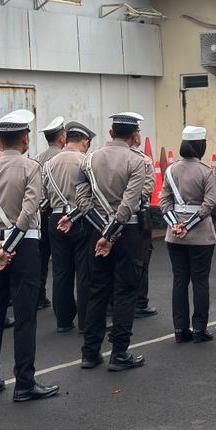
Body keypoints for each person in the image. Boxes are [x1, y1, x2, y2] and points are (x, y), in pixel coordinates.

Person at [0, 109, 59, 403]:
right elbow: (29, 210)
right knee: (25, 316)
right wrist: (10, 247)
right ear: (24, 139)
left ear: (0, 139)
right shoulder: (31, 167)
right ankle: (24, 382)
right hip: (24, 247)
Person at [74, 111, 154, 372]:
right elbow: (130, 202)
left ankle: (90, 352)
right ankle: (119, 352)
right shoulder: (137, 161)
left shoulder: (89, 160)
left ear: (111, 133)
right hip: (127, 233)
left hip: (96, 231)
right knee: (126, 292)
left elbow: (82, 200)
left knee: (98, 290)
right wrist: (112, 233)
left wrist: (104, 232)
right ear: (134, 135)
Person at [164, 126, 216, 343]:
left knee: (179, 281)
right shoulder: (207, 172)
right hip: (200, 235)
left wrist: (176, 225)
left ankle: (180, 329)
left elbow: (164, 201)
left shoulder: (171, 171)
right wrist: (188, 226)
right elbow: (209, 204)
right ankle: (199, 328)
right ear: (201, 146)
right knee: (200, 281)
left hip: (174, 234)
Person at [42, 121, 94, 333]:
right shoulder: (86, 161)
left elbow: (43, 196)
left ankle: (63, 320)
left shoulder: (49, 164)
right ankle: (86, 321)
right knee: (84, 272)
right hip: (80, 217)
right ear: (85, 142)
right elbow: (92, 194)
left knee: (61, 272)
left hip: (55, 217)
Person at [35, 116, 67, 311]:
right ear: (62, 137)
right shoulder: (65, 158)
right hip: (60, 212)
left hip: (40, 213)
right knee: (62, 261)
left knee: (40, 256)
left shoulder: (38, 158)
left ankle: (39, 296)